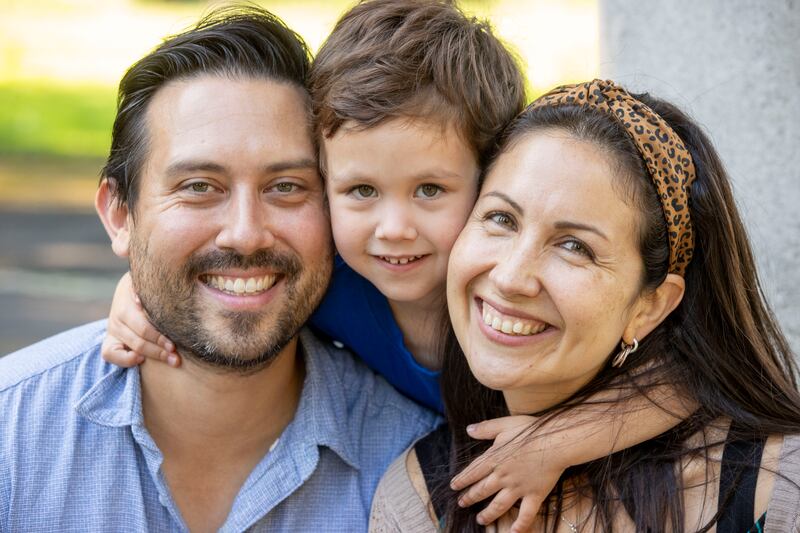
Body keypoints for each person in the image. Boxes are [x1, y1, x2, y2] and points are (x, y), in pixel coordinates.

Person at [99, 3, 719, 531]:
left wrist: (554, 443)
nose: (393, 228)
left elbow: (692, 379)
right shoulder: (331, 284)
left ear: (490, 180)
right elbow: (237, 281)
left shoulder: (512, 302)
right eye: (361, 191)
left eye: (429, 190)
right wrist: (141, 293)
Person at [0, 7, 440, 532]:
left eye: (286, 187)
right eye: (199, 187)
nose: (246, 234)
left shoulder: (426, 468)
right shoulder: (11, 437)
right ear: (120, 215)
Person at [369, 79, 800, 532]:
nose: (510, 278)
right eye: (501, 218)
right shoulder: (418, 502)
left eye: (575, 246)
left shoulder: (775, 492)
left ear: (649, 308)